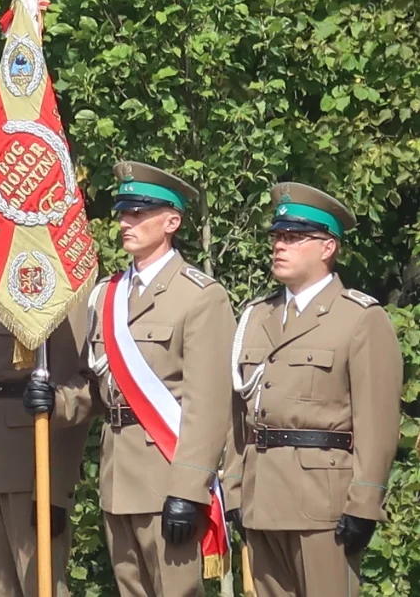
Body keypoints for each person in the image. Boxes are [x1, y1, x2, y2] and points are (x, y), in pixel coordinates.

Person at [25, 162, 235, 596]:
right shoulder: (108, 294)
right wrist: (58, 402)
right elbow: (98, 388)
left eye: (139, 213)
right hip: (118, 477)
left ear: (171, 221)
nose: (125, 222)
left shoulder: (200, 296)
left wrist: (188, 486)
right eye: (123, 212)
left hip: (168, 474)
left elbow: (209, 406)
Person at [222, 183, 402, 596]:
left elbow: (377, 425)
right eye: (277, 237)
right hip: (261, 499)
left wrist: (365, 502)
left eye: (293, 237)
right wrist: (234, 488)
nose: (279, 246)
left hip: (324, 505)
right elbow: (238, 416)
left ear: (327, 248)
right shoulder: (255, 316)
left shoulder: (359, 319)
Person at [0, 303, 89, 596]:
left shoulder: (59, 284)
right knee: (0, 589)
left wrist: (55, 488)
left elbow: (73, 390)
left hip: (32, 469)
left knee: (41, 587)